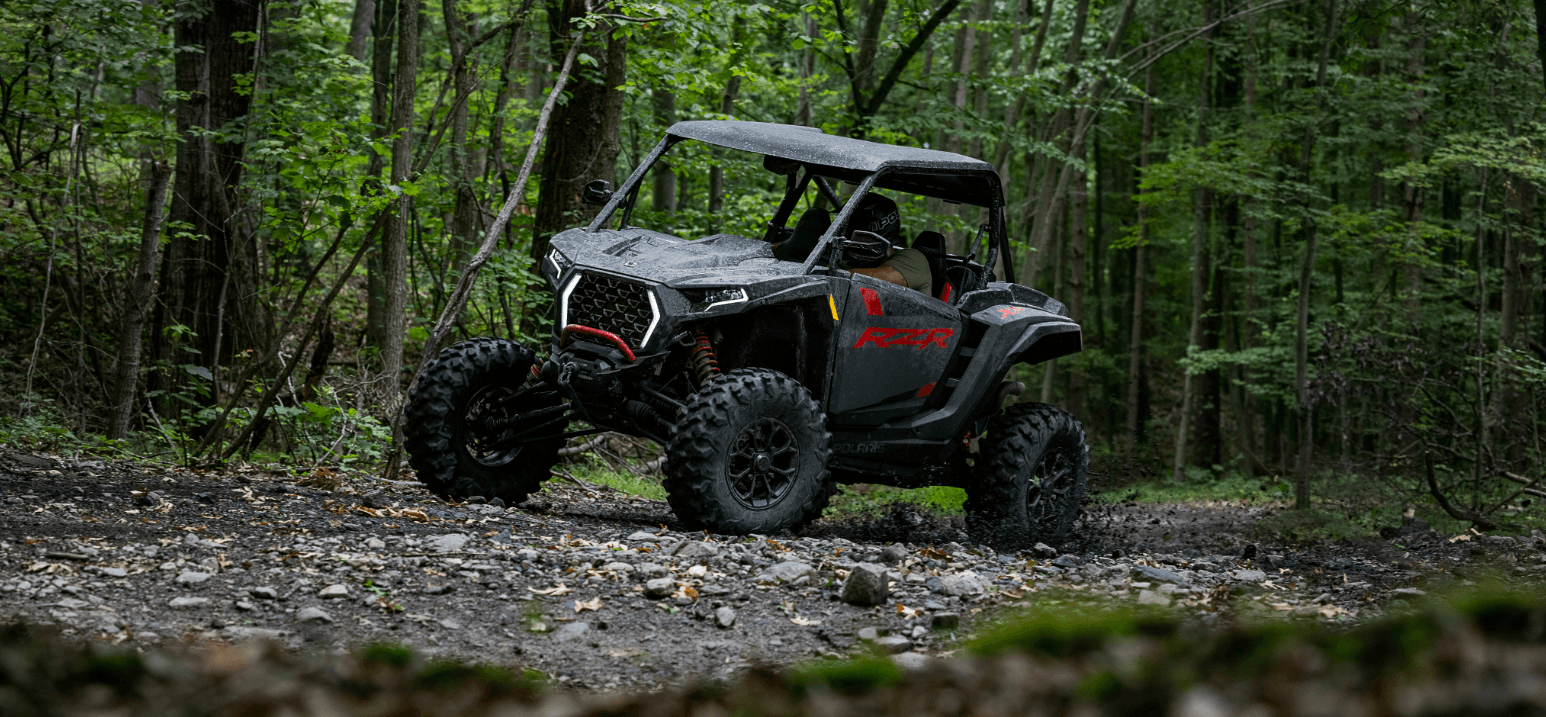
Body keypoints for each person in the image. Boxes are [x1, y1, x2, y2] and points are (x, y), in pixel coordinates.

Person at [771, 193, 931, 296]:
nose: (842, 230)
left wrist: (825, 267)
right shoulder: (851, 260)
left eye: (849, 225)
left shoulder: (913, 259)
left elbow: (875, 278)